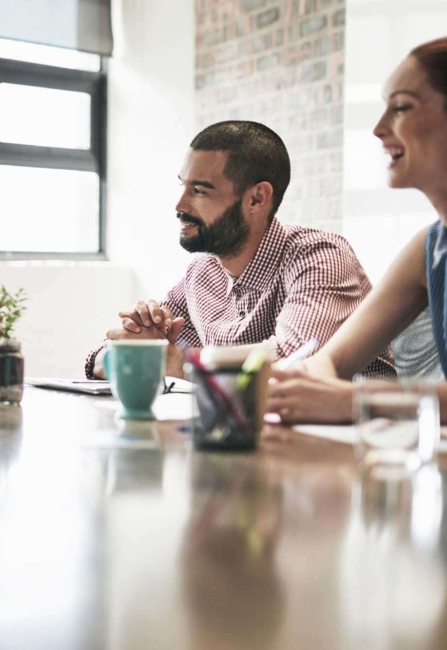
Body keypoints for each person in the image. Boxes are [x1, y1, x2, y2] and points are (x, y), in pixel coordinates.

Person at [85, 121, 394, 380]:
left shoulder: (320, 256)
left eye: (200, 190)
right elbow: (104, 355)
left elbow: (294, 359)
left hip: (356, 440)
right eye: (182, 186)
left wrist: (179, 364)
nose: (179, 206)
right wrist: (132, 351)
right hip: (251, 438)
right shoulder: (202, 273)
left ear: (257, 199)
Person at [267, 37, 447, 423]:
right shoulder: (428, 249)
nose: (379, 129)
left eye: (400, 107)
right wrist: (304, 383)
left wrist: (359, 401)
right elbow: (329, 360)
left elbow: (348, 393)